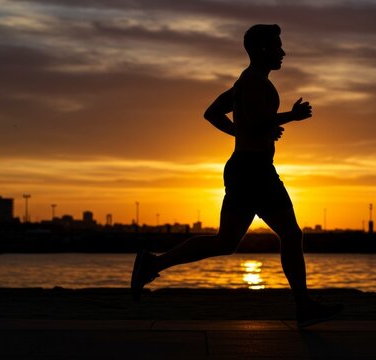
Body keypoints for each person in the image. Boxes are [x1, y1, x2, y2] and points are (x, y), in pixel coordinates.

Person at [131, 24, 343, 328]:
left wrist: (241, 132)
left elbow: (213, 113)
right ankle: (304, 306)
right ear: (261, 50)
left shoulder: (245, 82)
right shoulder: (255, 82)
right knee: (291, 235)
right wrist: (290, 117)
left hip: (244, 167)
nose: (283, 52)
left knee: (226, 242)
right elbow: (256, 121)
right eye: (277, 46)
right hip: (255, 170)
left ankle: (153, 263)